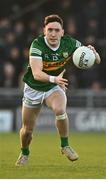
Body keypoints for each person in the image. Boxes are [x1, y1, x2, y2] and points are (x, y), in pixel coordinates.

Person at [15, 14, 101, 166]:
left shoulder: (71, 43)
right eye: (50, 30)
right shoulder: (37, 44)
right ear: (44, 31)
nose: (53, 34)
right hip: (34, 88)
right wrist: (55, 79)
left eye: (56, 30)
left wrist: (93, 53)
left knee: (60, 110)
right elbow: (36, 73)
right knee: (27, 130)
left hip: (53, 86)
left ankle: (65, 145)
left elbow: (96, 60)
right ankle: (24, 153)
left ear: (62, 32)